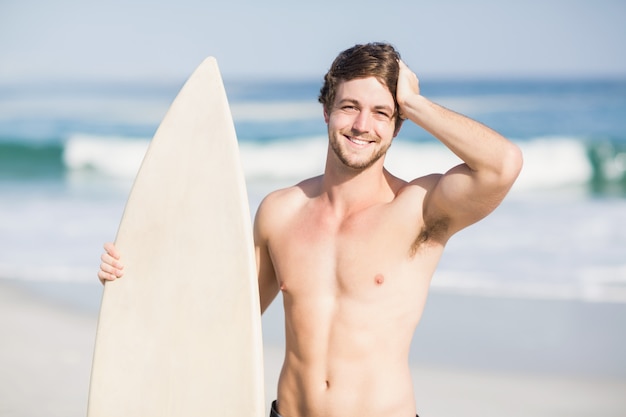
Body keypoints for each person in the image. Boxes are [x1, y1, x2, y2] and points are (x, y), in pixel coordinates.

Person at [99, 42, 523, 417]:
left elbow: (502, 165)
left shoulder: (418, 210)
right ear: (326, 110)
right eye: (350, 106)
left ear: (397, 125)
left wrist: (413, 102)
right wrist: (134, 277)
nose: (362, 125)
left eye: (381, 113)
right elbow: (222, 315)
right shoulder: (281, 213)